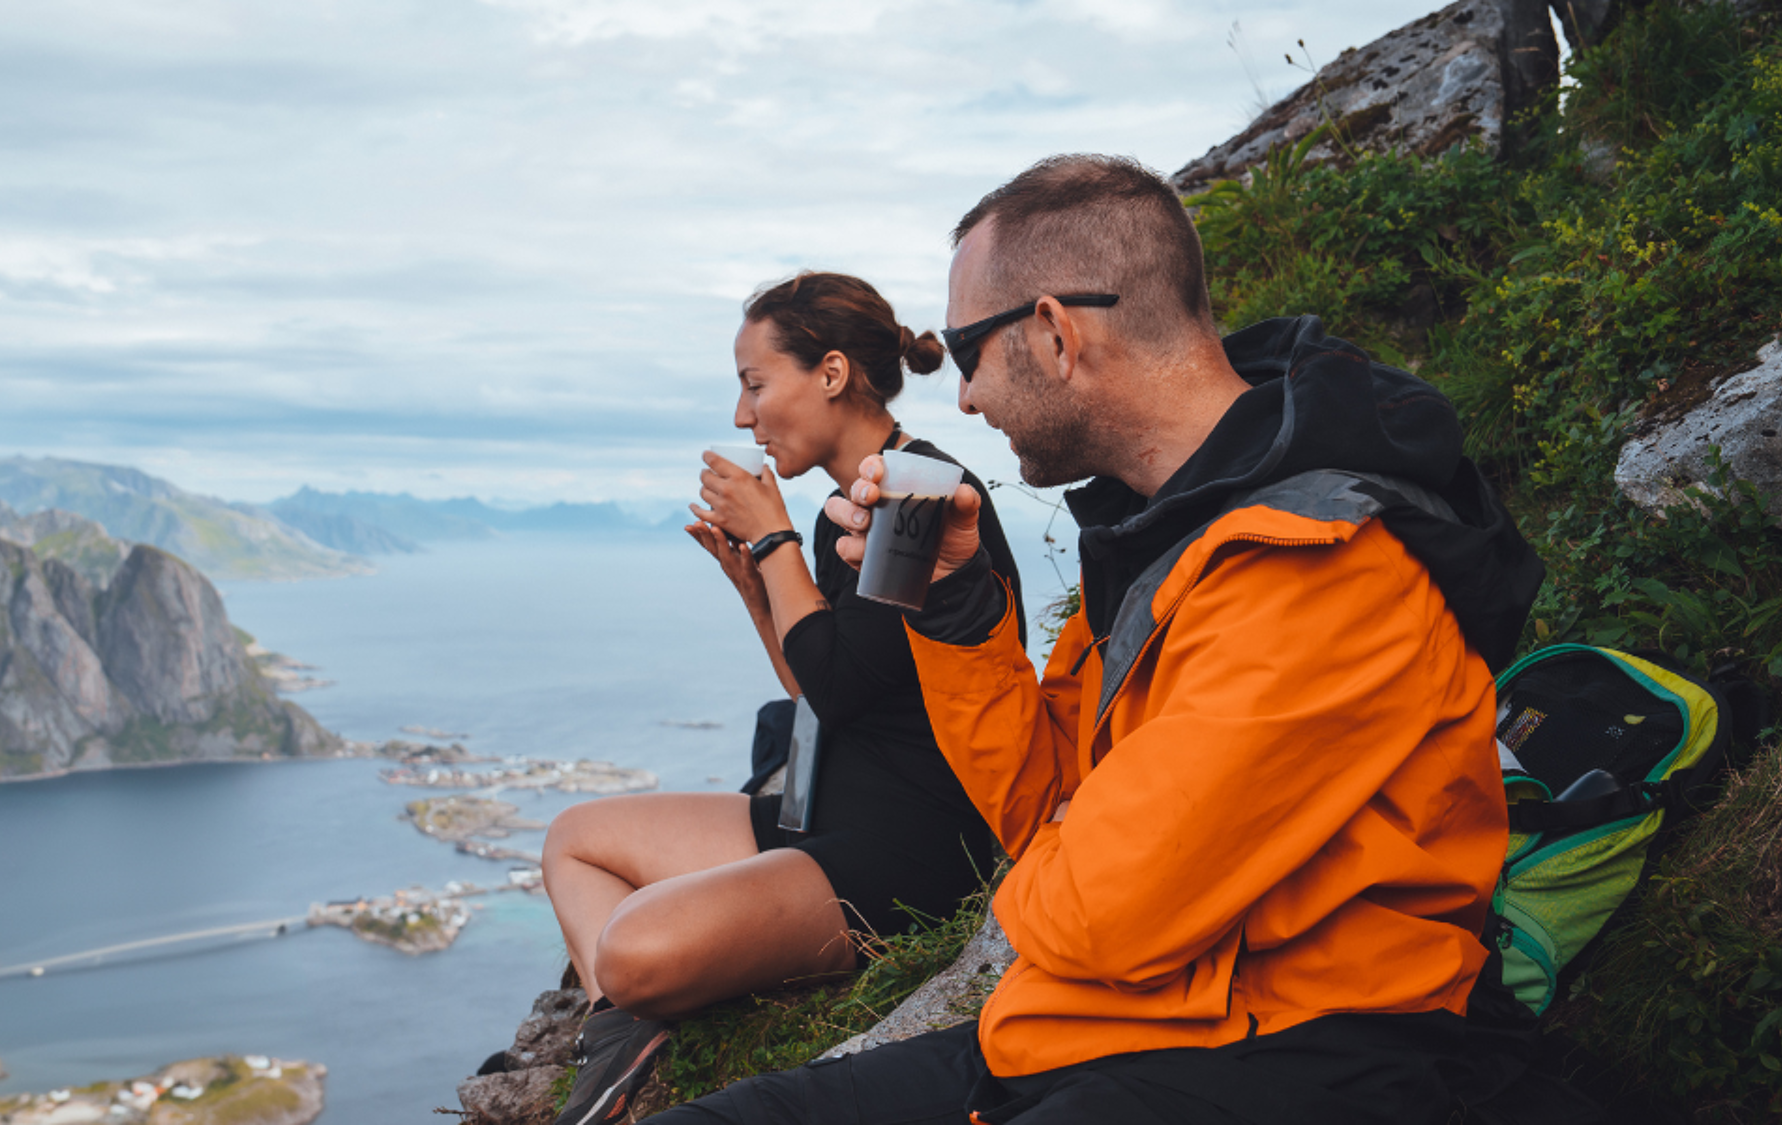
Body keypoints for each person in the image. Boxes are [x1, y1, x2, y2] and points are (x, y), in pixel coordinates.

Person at [644, 156, 1546, 1125]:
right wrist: (959, 617)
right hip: (1107, 1026)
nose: (960, 400)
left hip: (1289, 1047)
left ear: (1054, 333)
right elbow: (1042, 812)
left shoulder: (1312, 571)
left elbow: (1099, 915)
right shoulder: (1163, 537)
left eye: (964, 352)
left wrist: (1062, 849)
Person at [541, 271, 1025, 1125]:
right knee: (575, 840)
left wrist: (772, 540)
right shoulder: (850, 501)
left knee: (631, 950)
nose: (742, 415)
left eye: (755, 384)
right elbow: (815, 685)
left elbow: (836, 690)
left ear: (831, 373)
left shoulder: (918, 496)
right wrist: (756, 587)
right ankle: (615, 1038)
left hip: (900, 850)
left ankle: (627, 1010)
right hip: (824, 806)